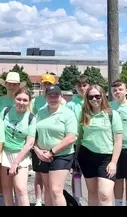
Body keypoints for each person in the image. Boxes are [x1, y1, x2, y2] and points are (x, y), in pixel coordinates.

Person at [77, 85, 123, 206]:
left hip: (106, 159)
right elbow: (79, 138)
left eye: (97, 96)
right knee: (92, 193)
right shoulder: (84, 115)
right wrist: (75, 159)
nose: (94, 99)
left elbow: (118, 141)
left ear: (103, 96)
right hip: (86, 156)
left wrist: (113, 162)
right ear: (87, 98)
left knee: (105, 195)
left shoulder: (112, 115)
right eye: (91, 96)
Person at [33, 85, 78, 206]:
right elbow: (33, 135)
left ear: (61, 97)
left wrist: (51, 152)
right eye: (50, 95)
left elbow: (71, 137)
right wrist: (37, 150)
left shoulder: (68, 114)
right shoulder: (40, 112)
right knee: (48, 189)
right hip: (42, 155)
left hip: (62, 155)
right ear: (45, 97)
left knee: (56, 190)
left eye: (56, 95)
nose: (53, 98)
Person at [30, 73, 65, 206]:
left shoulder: (61, 101)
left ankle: (51, 200)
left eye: (49, 84)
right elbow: (32, 119)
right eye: (45, 83)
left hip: (56, 144)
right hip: (39, 141)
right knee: (39, 174)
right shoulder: (36, 100)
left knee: (54, 182)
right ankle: (39, 200)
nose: (46, 86)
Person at [0, 87, 36, 206]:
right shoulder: (5, 111)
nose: (21, 102)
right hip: (4, 153)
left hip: (21, 155)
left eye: (25, 100)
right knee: (6, 188)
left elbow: (30, 143)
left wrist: (16, 161)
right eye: (19, 99)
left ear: (29, 102)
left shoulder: (31, 118)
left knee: (21, 189)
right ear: (14, 99)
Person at [0, 71, 25, 206]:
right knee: (3, 176)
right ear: (5, 84)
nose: (12, 86)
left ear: (18, 85)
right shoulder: (0, 101)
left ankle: (18, 199)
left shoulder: (23, 100)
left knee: (18, 177)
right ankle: (2, 198)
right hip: (3, 143)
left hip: (19, 144)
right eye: (9, 83)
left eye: (15, 84)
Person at [66, 74, 90, 204]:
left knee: (91, 175)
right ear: (75, 87)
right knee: (76, 174)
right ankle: (77, 199)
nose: (82, 88)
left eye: (84, 85)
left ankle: (93, 198)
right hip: (75, 144)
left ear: (89, 85)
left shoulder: (93, 101)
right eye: (79, 85)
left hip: (90, 143)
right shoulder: (71, 104)